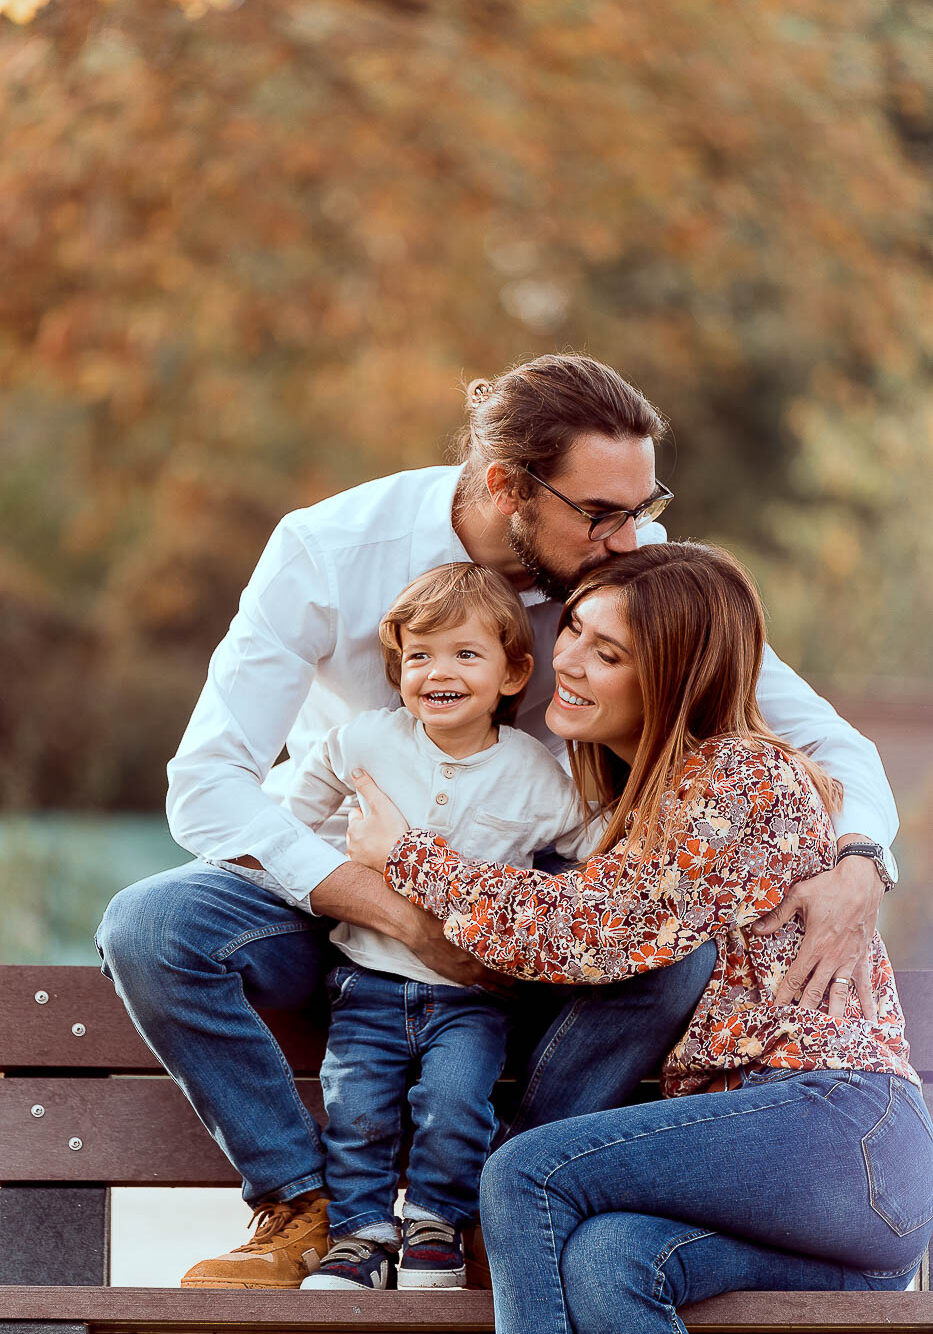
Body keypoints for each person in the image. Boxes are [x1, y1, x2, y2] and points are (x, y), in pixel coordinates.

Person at [94, 354, 898, 1290]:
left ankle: (488, 1206)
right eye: (599, 512)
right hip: (350, 896)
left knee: (671, 945)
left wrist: (858, 861)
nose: (628, 535)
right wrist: (393, 910)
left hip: (550, 911)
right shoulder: (328, 551)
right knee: (152, 926)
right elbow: (207, 784)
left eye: (642, 505)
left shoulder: (628, 572)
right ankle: (300, 1207)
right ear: (504, 486)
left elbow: (827, 744)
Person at [346, 542, 931, 1333]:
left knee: (525, 1172)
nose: (572, 662)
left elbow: (586, 931)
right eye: (575, 631)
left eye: (608, 652)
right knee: (610, 1258)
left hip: (837, 1129)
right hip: (806, 1182)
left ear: (672, 679)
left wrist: (406, 856)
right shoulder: (640, 804)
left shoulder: (740, 775)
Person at [288, 562, 595, 1290]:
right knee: (356, 1109)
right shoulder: (365, 741)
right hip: (367, 979)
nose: (436, 672)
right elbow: (289, 825)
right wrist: (332, 860)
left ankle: (435, 1226)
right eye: (418, 656)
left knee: (455, 1106)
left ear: (514, 671)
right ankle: (358, 1238)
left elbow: (597, 852)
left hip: (472, 997)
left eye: (464, 654)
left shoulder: (534, 774)